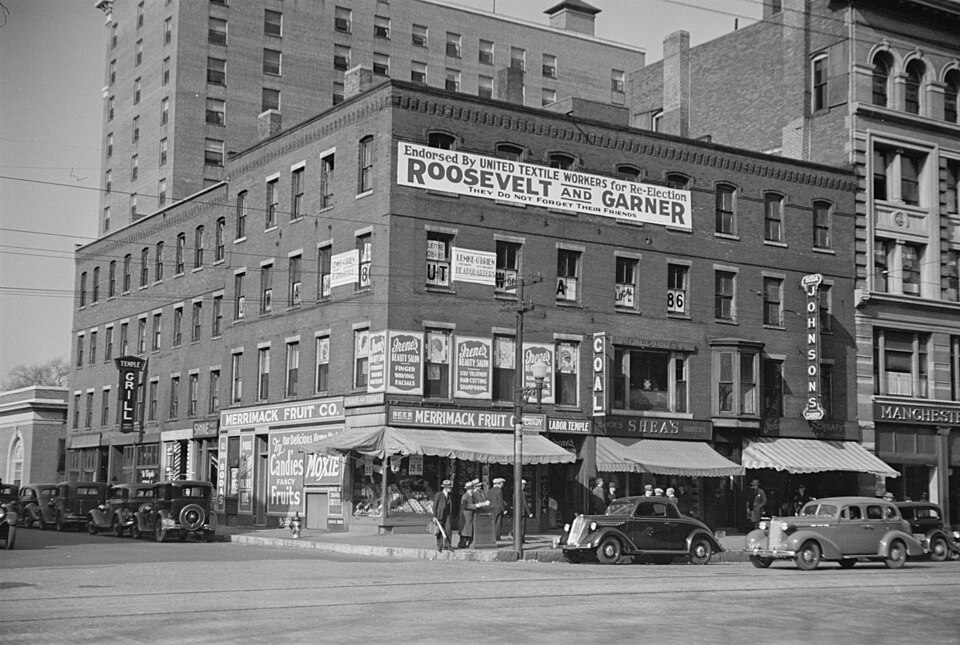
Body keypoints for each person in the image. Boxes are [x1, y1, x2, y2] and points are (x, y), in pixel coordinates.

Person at [433, 479, 454, 552]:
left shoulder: (449, 496)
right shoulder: (439, 495)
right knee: (439, 531)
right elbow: (435, 506)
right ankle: (439, 545)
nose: (450, 489)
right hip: (440, 515)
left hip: (447, 515)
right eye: (449, 487)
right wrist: (434, 516)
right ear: (445, 487)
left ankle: (448, 545)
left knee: (448, 529)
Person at [458, 480, 476, 548]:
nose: (472, 489)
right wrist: (475, 506)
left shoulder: (471, 495)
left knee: (468, 530)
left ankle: (467, 543)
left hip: (469, 515)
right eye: (471, 488)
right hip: (465, 516)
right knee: (465, 531)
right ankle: (462, 544)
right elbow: (465, 505)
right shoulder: (465, 496)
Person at [517, 479, 533, 544]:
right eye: (523, 485)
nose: (524, 486)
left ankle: (518, 538)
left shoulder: (515, 492)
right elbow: (525, 503)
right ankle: (521, 539)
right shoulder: (522, 493)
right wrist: (529, 513)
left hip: (517, 511)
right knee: (522, 526)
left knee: (518, 525)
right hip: (522, 511)